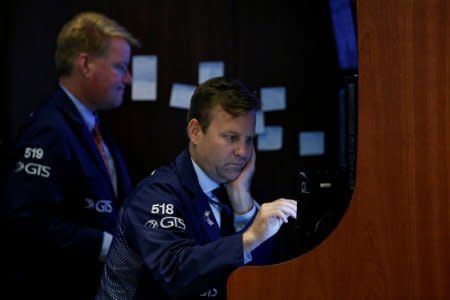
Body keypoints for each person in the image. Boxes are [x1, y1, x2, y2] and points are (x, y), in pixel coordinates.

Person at [96, 77, 297, 300]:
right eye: (231, 138)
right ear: (195, 132)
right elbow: (175, 274)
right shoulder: (156, 194)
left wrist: (244, 208)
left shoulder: (240, 190)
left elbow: (264, 276)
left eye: (249, 140)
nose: (243, 151)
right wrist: (249, 236)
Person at [2, 12, 139, 300]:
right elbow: (27, 221)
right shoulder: (48, 129)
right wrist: (106, 245)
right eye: (120, 67)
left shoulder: (93, 126)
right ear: (85, 64)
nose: (127, 79)